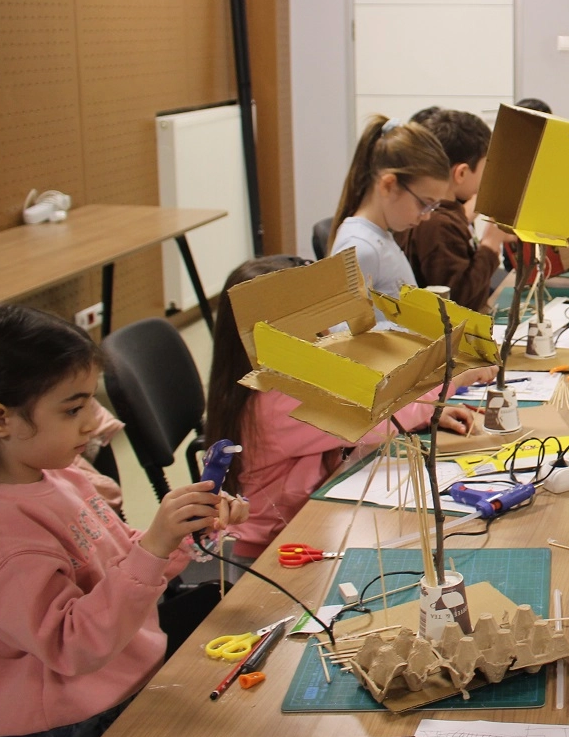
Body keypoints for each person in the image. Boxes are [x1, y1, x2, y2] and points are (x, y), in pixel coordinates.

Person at [0, 305, 244, 737]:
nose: (92, 421)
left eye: (90, 400)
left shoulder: (59, 473)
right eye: (73, 409)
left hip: (119, 689)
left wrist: (183, 527)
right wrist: (155, 545)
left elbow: (121, 557)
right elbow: (71, 645)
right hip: (64, 729)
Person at [203, 257, 492, 566]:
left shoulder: (273, 382)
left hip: (300, 525)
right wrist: (450, 382)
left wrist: (424, 411)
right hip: (272, 551)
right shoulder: (276, 399)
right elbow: (371, 415)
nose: (325, 328)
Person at [328, 115, 450, 304]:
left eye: (433, 207)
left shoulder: (379, 236)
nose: (426, 217)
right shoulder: (361, 248)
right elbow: (341, 321)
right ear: (388, 185)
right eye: (424, 204)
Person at [403, 107, 514, 312]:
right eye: (484, 167)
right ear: (461, 173)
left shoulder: (447, 215)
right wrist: (490, 244)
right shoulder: (437, 223)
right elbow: (458, 301)